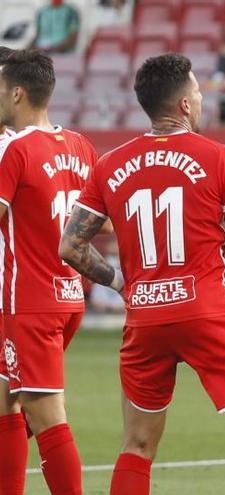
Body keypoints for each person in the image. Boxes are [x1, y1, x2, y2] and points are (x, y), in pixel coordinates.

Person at [58, 53, 225, 495]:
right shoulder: (217, 157)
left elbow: (70, 246)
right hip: (206, 311)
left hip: (146, 317)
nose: (200, 98)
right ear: (184, 106)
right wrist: (207, 252)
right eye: (196, 91)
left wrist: (122, 283)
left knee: (136, 446)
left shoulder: (110, 165)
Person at [0, 49, 95, 495]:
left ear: (17, 93)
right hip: (68, 294)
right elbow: (105, 220)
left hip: (26, 299)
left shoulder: (14, 148)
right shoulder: (79, 145)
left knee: (42, 413)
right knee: (6, 401)